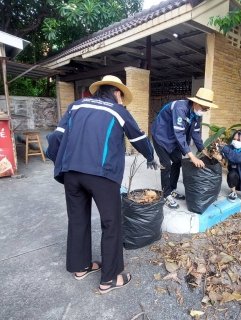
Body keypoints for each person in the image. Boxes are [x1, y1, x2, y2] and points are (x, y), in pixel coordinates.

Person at [46, 75, 159, 294]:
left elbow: (56, 138)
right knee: (111, 223)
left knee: (77, 220)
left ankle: (81, 267)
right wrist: (151, 156)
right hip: (101, 175)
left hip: (71, 174)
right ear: (116, 93)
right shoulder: (118, 111)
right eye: (121, 97)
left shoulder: (75, 106)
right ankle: (109, 278)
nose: (122, 101)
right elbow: (138, 138)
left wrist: (58, 161)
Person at [151, 88, 218, 209]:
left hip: (175, 139)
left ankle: (171, 189)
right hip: (161, 137)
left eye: (207, 109)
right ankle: (165, 195)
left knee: (177, 162)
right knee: (166, 164)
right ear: (197, 103)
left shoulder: (196, 114)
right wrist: (192, 157)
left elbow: (196, 134)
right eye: (204, 108)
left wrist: (204, 151)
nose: (205, 111)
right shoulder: (180, 108)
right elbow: (179, 134)